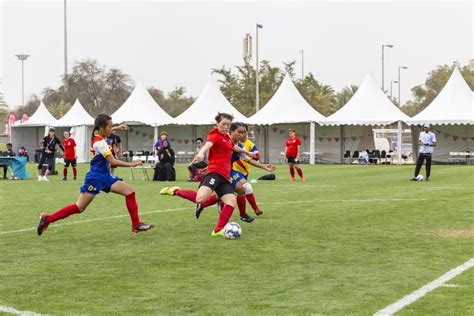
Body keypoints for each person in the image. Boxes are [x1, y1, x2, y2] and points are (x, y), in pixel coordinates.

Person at [37, 113, 154, 236]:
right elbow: (113, 161)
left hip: (105, 176)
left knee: (130, 192)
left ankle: (136, 225)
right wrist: (131, 164)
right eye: (109, 127)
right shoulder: (100, 143)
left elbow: (104, 132)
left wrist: (117, 127)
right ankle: (47, 219)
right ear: (102, 128)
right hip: (95, 178)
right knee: (79, 207)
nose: (111, 129)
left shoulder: (97, 135)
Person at [159, 113, 254, 237]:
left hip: (225, 177)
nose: (226, 127)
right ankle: (175, 191)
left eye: (228, 125)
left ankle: (218, 230)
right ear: (217, 124)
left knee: (231, 202)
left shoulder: (227, 138)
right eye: (223, 124)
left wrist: (246, 151)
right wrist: (202, 153)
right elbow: (208, 145)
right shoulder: (215, 135)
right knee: (200, 199)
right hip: (214, 173)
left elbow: (234, 147)